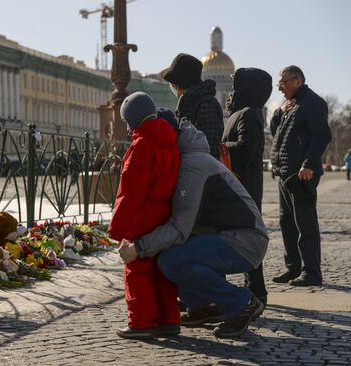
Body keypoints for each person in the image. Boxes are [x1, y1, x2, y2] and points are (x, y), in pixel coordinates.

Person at [118, 121, 269, 338]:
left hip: (245, 241)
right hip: (232, 235)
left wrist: (139, 247)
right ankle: (202, 306)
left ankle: (241, 302)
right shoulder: (188, 157)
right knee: (171, 255)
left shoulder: (192, 165)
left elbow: (180, 227)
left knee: (171, 261)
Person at [108, 92, 181, 340]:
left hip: (142, 214)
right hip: (164, 213)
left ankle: (141, 322)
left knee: (137, 268)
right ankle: (169, 319)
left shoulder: (140, 146)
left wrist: (117, 230)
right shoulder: (170, 143)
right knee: (161, 269)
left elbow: (130, 193)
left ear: (132, 120)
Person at [270, 66, 332, 287]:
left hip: (301, 174)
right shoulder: (291, 104)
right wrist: (279, 112)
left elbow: (322, 135)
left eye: (282, 83)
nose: (280, 88)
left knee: (305, 225)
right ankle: (293, 268)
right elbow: (276, 133)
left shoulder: (312, 102)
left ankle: (311, 272)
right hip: (285, 172)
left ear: (297, 80)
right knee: (287, 223)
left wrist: (309, 164)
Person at [222, 68, 272, 306]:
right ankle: (254, 289)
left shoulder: (250, 114)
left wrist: (218, 148)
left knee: (248, 238)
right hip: (237, 185)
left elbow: (244, 150)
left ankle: (256, 291)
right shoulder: (240, 112)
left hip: (246, 187)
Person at [159, 53, 224, 159]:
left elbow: (210, 146)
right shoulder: (190, 103)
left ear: (180, 84)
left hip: (200, 172)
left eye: (174, 84)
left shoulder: (205, 104)